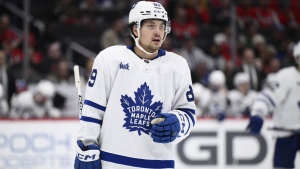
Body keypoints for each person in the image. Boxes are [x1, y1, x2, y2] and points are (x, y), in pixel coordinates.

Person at [74, 1, 196, 169]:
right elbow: (93, 109)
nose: (157, 32)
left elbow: (189, 114)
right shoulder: (110, 59)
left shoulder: (178, 65)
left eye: (162, 27)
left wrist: (178, 122)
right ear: (135, 29)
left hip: (158, 164)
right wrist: (86, 144)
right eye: (151, 25)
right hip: (112, 162)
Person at [246, 41, 300, 169]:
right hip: (286, 135)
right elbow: (267, 98)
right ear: (298, 58)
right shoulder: (286, 77)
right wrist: (258, 115)